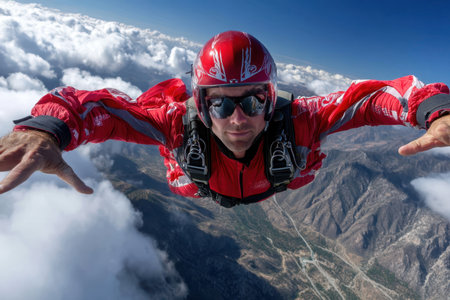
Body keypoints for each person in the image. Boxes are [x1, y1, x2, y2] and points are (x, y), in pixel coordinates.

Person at [0, 31, 449, 207]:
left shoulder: (300, 122)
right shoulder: (176, 124)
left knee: (300, 165)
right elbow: (94, 105)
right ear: (201, 103)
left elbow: (374, 97)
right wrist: (47, 128)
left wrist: (434, 110)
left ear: (271, 101)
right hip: (198, 178)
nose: (238, 119)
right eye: (220, 104)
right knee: (178, 155)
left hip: (273, 177)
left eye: (252, 102)